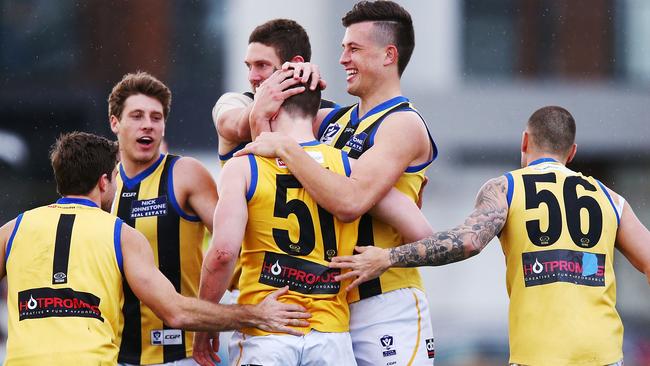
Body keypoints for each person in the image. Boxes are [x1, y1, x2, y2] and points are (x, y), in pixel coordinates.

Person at [330, 106, 650, 366]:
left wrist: (388, 257)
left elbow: (468, 241)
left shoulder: (507, 188)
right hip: (604, 355)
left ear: (525, 142)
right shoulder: (610, 198)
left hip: (538, 356)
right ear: (572, 151)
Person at [237, 2, 437, 364]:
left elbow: (350, 202)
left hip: (385, 304)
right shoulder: (334, 120)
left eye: (353, 49)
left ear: (389, 55)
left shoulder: (402, 123)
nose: (342, 58)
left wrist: (286, 146)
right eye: (343, 48)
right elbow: (256, 143)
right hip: (334, 307)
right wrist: (277, 84)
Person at [0, 132, 311, 365]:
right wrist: (255, 314)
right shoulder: (121, 234)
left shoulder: (14, 229)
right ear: (106, 181)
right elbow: (175, 311)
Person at [193, 76, 432, 366]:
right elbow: (422, 232)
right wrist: (387, 254)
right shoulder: (348, 168)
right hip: (330, 337)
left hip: (268, 332)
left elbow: (222, 254)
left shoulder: (244, 166)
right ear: (313, 110)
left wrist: (205, 321)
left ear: (270, 108)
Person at [108, 71, 218, 365]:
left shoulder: (185, 174)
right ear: (114, 122)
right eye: (137, 116)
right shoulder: (102, 184)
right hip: (115, 353)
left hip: (181, 352)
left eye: (156, 117)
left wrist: (214, 314)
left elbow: (233, 249)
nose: (148, 124)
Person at [213, 18, 335, 166]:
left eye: (262, 65)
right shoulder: (234, 102)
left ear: (295, 65)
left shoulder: (332, 115)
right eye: (249, 66)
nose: (252, 77)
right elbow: (236, 127)